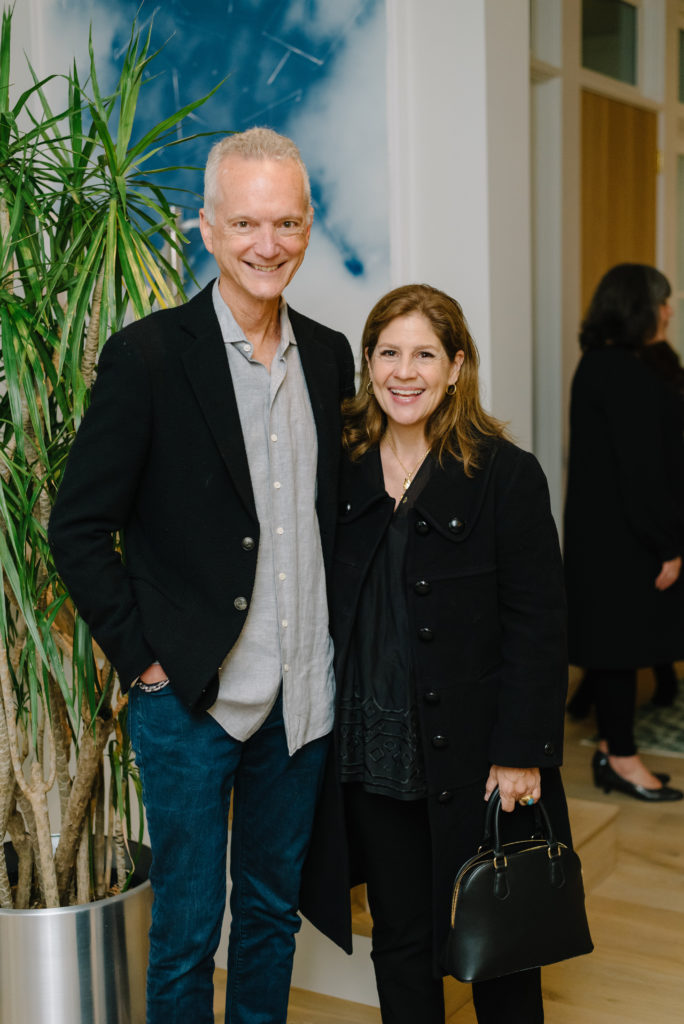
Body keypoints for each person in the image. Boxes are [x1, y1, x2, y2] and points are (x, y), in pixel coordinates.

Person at [48, 127, 355, 1024]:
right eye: (248, 223)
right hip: (189, 700)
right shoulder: (148, 357)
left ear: (308, 226)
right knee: (186, 934)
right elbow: (77, 525)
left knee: (268, 917)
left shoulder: (331, 356)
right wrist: (145, 660)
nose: (270, 244)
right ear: (207, 229)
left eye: (288, 222)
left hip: (301, 703)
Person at [299, 284, 572, 1024]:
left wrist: (522, 751)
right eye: (388, 352)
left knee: (499, 941)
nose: (404, 371)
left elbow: (539, 626)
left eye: (425, 353)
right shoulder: (343, 466)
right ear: (367, 361)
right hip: (374, 749)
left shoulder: (506, 476)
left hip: (479, 755)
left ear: (456, 367)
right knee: (401, 938)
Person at [564, 263, 684, 803]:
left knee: (613, 649)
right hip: (626, 542)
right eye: (664, 300)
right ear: (643, 306)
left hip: (603, 538)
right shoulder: (626, 373)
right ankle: (621, 760)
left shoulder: (598, 365)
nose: (670, 310)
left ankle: (615, 752)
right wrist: (668, 545)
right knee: (617, 650)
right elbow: (643, 473)